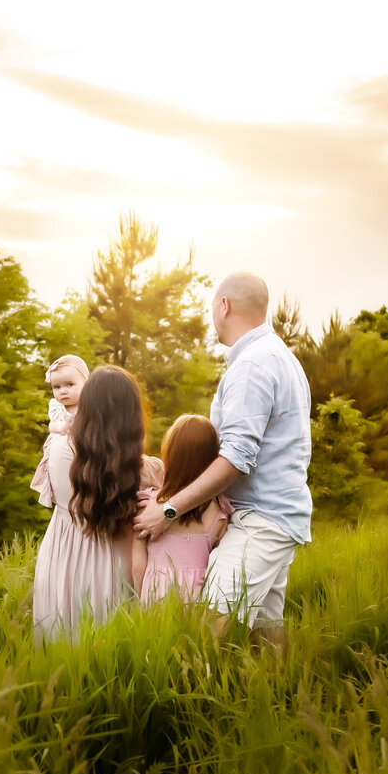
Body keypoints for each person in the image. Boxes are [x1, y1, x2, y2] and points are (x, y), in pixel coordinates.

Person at [134, 272, 312, 652]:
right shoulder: (281, 358)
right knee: (266, 627)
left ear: (224, 306)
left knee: (208, 625)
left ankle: (188, 707)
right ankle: (280, 701)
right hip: (277, 517)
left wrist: (168, 510)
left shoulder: (252, 366)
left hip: (259, 521)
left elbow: (235, 458)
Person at [31, 365, 161, 641]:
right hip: (117, 565)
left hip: (63, 559)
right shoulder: (146, 470)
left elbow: (61, 501)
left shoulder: (58, 448)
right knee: (111, 654)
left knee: (60, 647)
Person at [133, 414, 229, 603]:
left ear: (170, 454)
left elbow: (137, 564)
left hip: (154, 597)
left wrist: (138, 597)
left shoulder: (148, 505)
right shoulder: (218, 513)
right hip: (198, 601)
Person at [30, 355, 89, 507]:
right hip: (62, 454)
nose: (63, 391)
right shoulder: (57, 407)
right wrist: (60, 427)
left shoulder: (88, 407)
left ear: (86, 384)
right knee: (64, 486)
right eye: (57, 387)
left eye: (70, 385)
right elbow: (52, 426)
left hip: (82, 452)